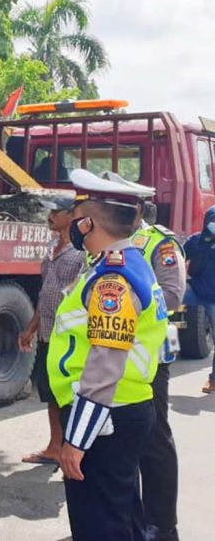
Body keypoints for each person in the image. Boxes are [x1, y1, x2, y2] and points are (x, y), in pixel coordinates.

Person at [48, 169, 168, 541]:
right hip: (121, 412)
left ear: (87, 223)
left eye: (77, 213)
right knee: (121, 516)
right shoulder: (125, 264)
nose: (72, 220)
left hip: (106, 417)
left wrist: (76, 442)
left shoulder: (112, 281)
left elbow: (104, 366)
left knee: (98, 526)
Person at [131, 201, 186, 541]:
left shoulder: (159, 243)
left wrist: (124, 305)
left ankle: (161, 524)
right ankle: (129, 519)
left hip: (150, 356)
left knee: (153, 440)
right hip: (110, 357)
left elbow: (172, 294)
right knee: (119, 442)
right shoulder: (101, 245)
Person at [18, 195, 85, 465]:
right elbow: (45, 294)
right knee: (51, 392)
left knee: (71, 394)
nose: (50, 216)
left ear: (72, 215)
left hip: (70, 338)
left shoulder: (82, 253)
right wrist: (31, 328)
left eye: (56, 211)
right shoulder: (50, 248)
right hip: (48, 333)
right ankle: (54, 447)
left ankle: (73, 450)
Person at [182, 204, 215, 394]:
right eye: (213, 221)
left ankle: (213, 381)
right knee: (161, 301)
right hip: (195, 290)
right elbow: (179, 257)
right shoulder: (197, 240)